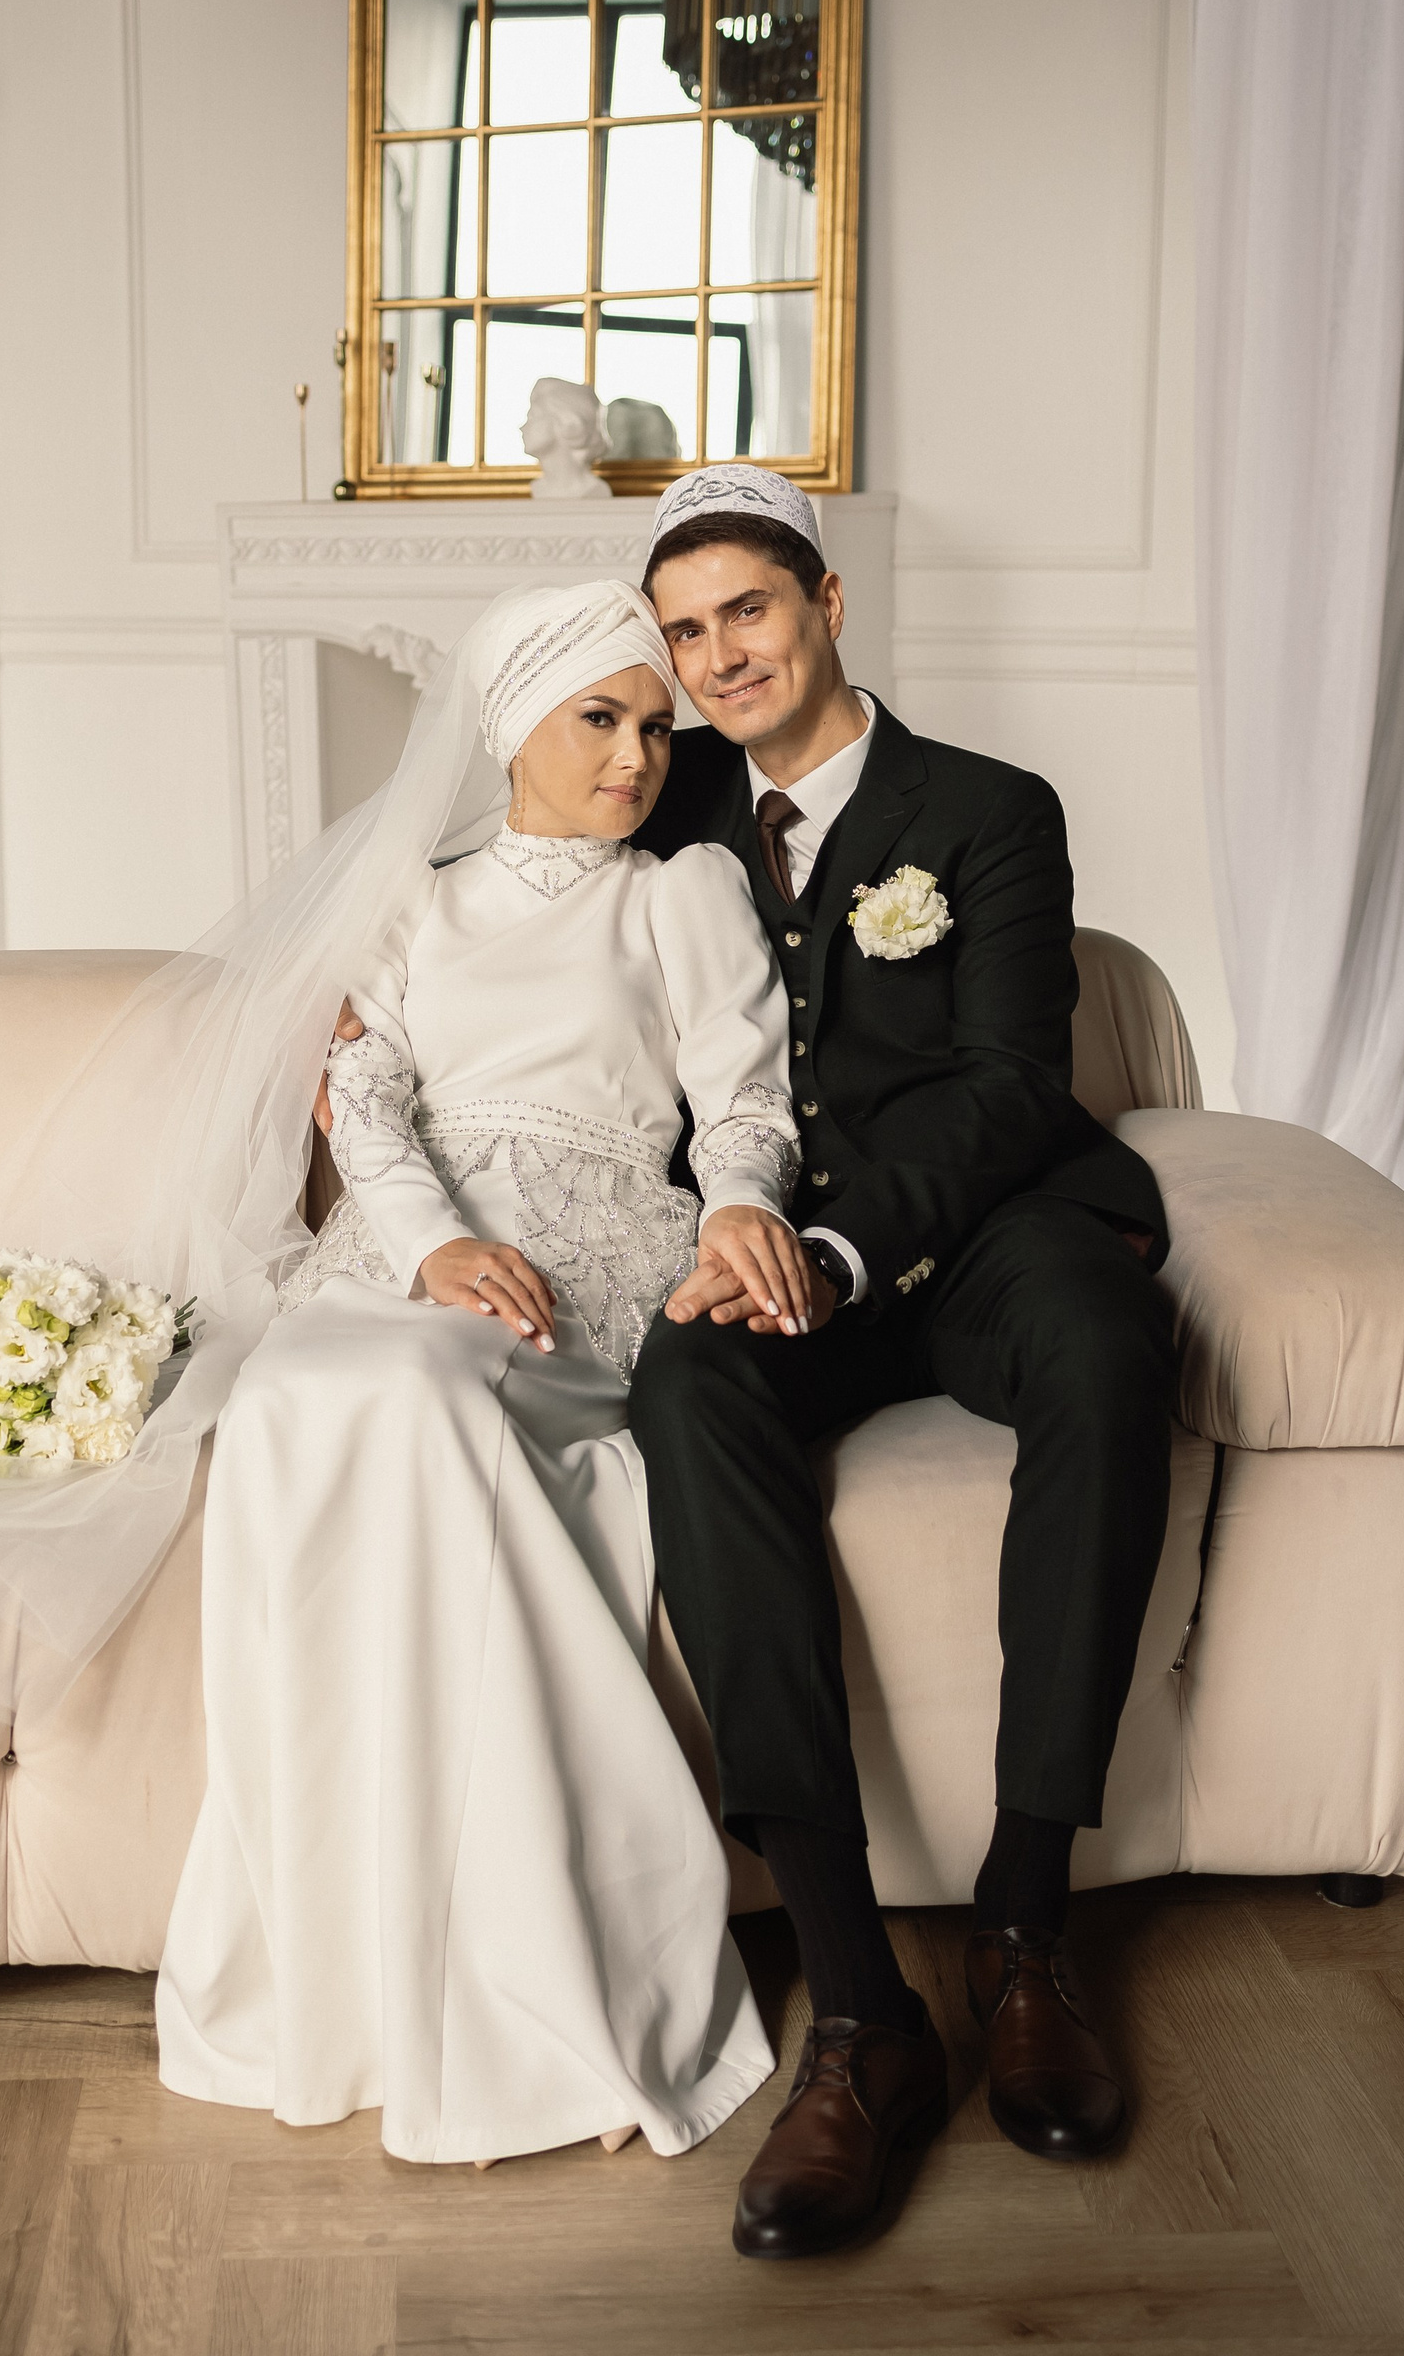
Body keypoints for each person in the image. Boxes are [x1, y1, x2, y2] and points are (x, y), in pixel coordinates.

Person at [156, 578, 807, 2164]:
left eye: (657, 727)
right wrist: (432, 1243)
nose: (639, 756)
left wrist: (740, 1208)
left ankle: (545, 1968)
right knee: (296, 1399)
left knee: (426, 1396)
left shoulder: (683, 894)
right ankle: (344, 1974)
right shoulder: (414, 903)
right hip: (414, 1252)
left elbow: (744, 1097)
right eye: (602, 719)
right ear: (514, 728)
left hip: (584, 1264)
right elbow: (364, 1102)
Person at [628, 464, 1178, 2258]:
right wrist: (372, 999)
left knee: (1107, 1340)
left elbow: (1016, 1083)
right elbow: (504, 887)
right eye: (686, 632)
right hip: (767, 1238)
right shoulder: (660, 798)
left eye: (749, 610)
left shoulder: (991, 809)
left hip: (983, 1225)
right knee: (687, 1385)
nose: (720, 656)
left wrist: (851, 1250)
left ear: (829, 605)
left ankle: (1026, 1922)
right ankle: (862, 2013)